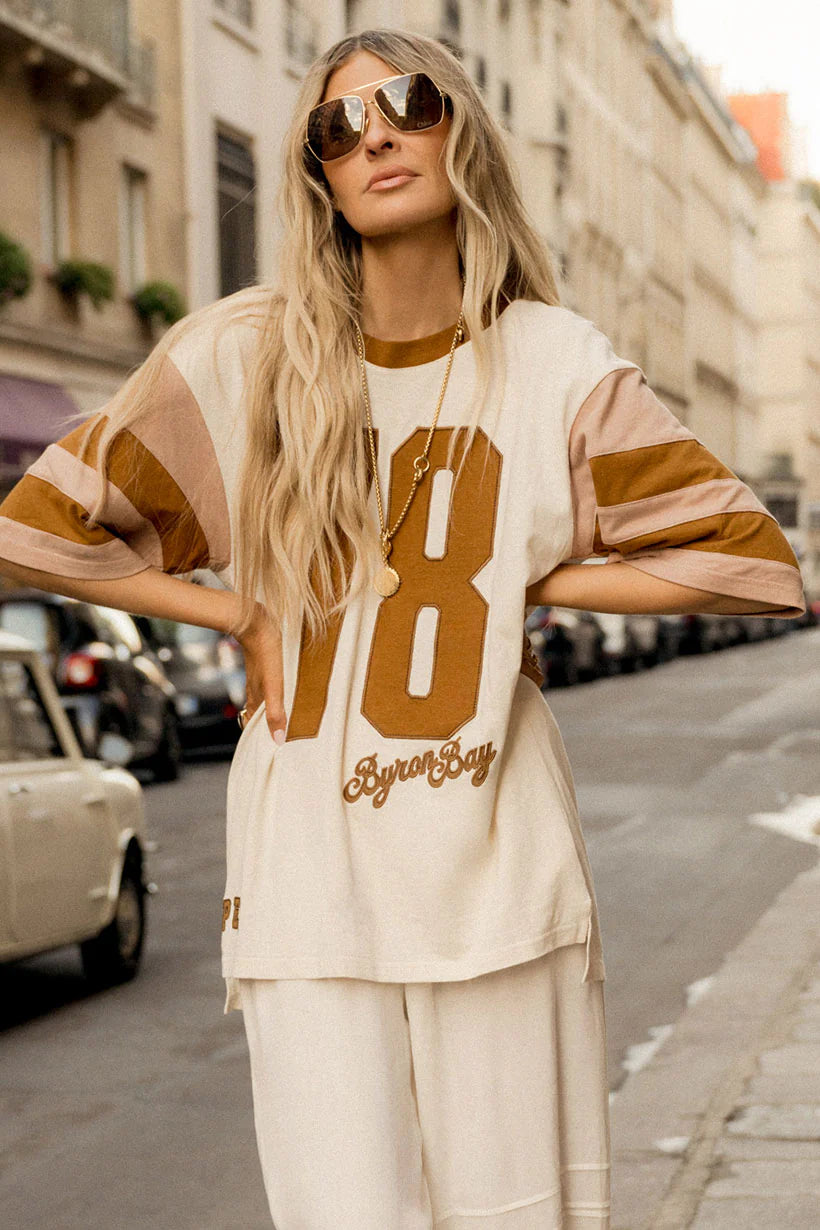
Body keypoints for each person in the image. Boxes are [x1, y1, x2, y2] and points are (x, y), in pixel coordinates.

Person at [0, 27, 805, 1230]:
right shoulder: (245, 358)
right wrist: (235, 612)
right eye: (337, 124)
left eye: (405, 102)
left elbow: (754, 565)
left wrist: (522, 578)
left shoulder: (553, 362)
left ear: (457, 128)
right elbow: (34, 528)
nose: (372, 131)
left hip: (495, 878)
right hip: (308, 887)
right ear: (318, 171)